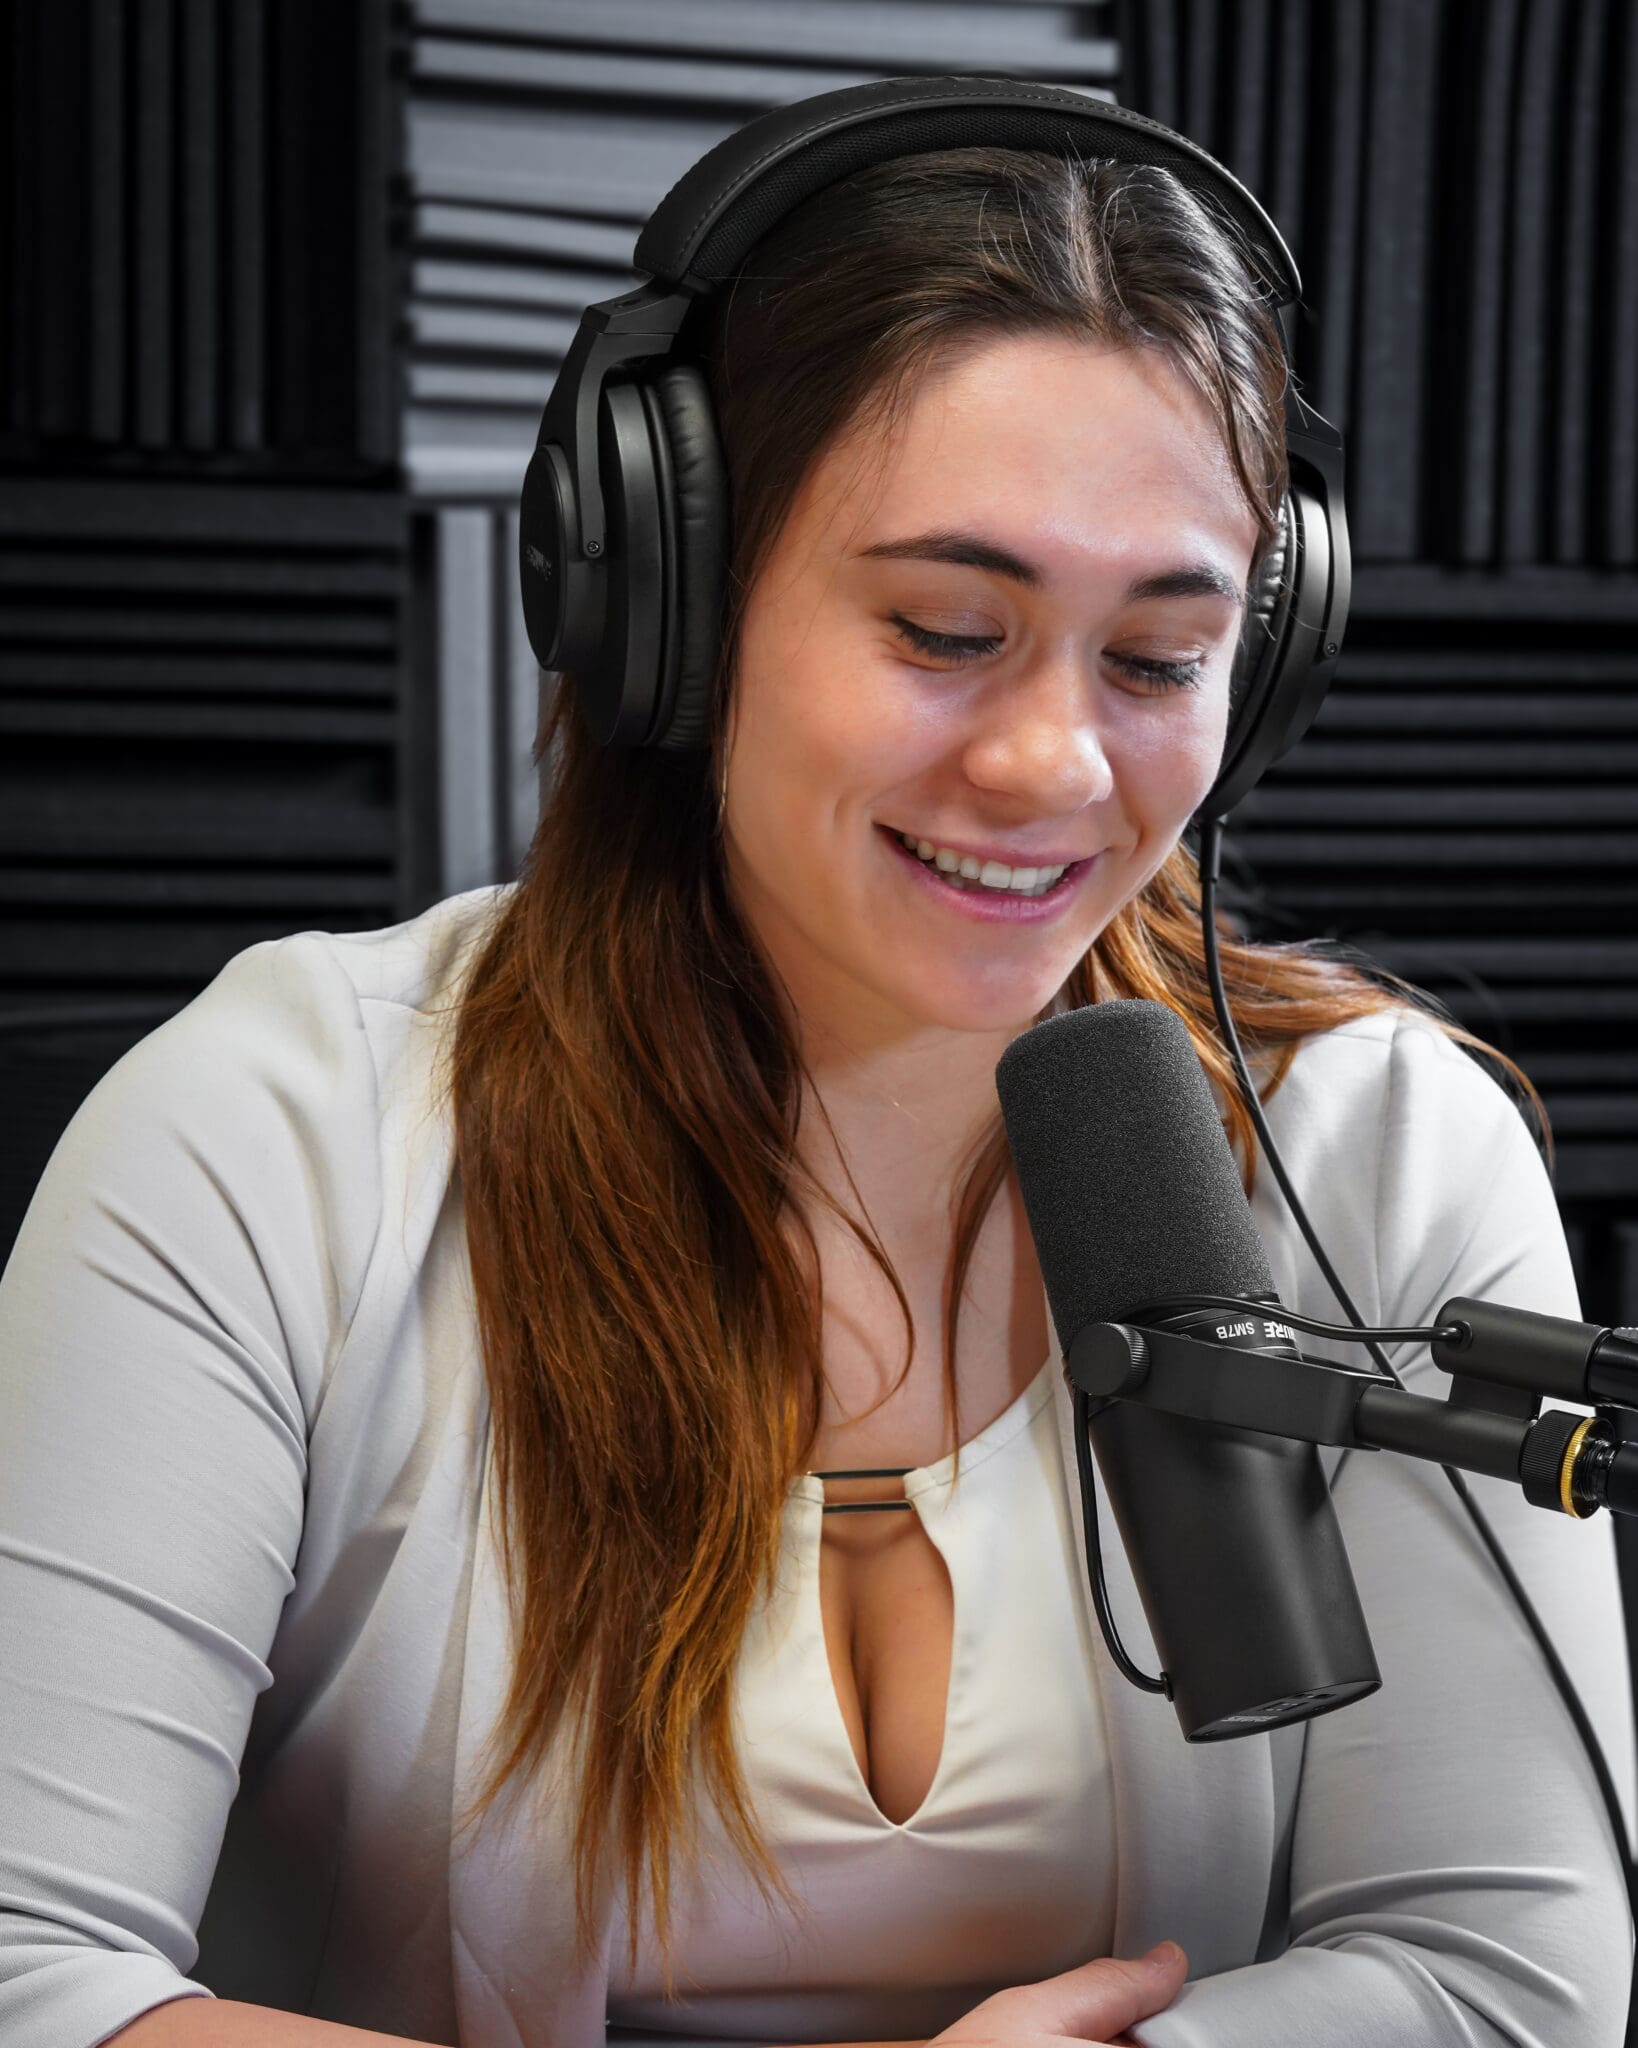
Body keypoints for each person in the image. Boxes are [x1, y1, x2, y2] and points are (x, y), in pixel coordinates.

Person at [0, 121, 1632, 2048]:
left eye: (1158, 656)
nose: (1053, 765)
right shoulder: (277, 1136)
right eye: (946, 631)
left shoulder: (1372, 1151)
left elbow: (1499, 1972)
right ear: (668, 600)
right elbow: (32, 1971)